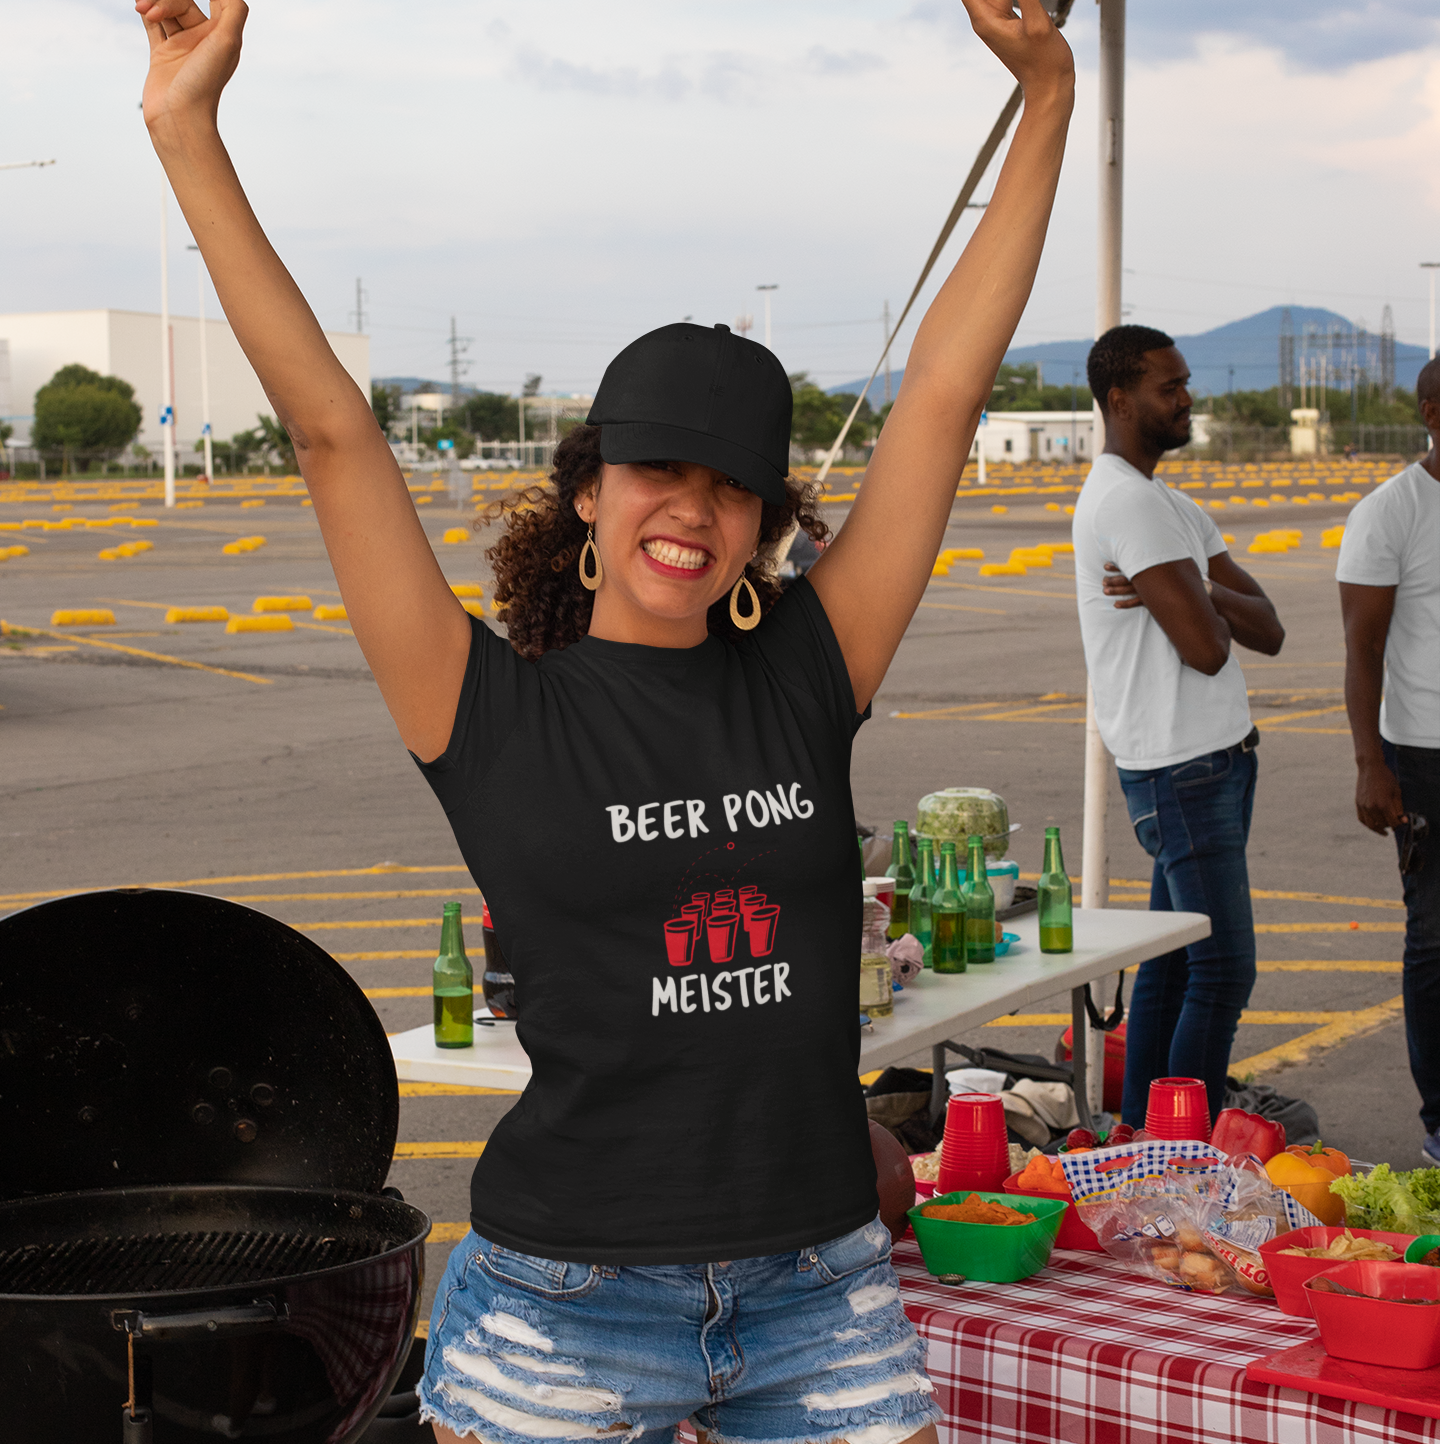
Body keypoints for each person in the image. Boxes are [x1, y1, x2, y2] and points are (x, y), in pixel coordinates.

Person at [134, 2, 1074, 1441]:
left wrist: (1050, 93)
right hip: (566, 1309)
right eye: (654, 469)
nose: (690, 507)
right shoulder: (488, 709)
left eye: (732, 485)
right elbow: (331, 433)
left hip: (822, 1292)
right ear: (590, 489)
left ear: (766, 518)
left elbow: (943, 396)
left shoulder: (813, 667)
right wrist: (186, 131)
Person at [1073, 326, 1285, 1129]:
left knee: (1168, 969)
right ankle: (1186, 1149)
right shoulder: (1129, 501)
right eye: (1170, 387)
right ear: (1120, 400)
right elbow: (1205, 649)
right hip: (1183, 768)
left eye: (1187, 381)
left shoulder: (1171, 506)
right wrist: (1204, 599)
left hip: (1215, 762)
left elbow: (1267, 628)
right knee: (1223, 969)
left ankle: (1138, 1139)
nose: (1187, 398)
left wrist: (1195, 583)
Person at [1337, 358, 1440, 1162]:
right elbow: (1362, 647)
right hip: (1426, 755)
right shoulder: (1391, 512)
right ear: (1431, 411)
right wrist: (1371, 762)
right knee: (1436, 939)